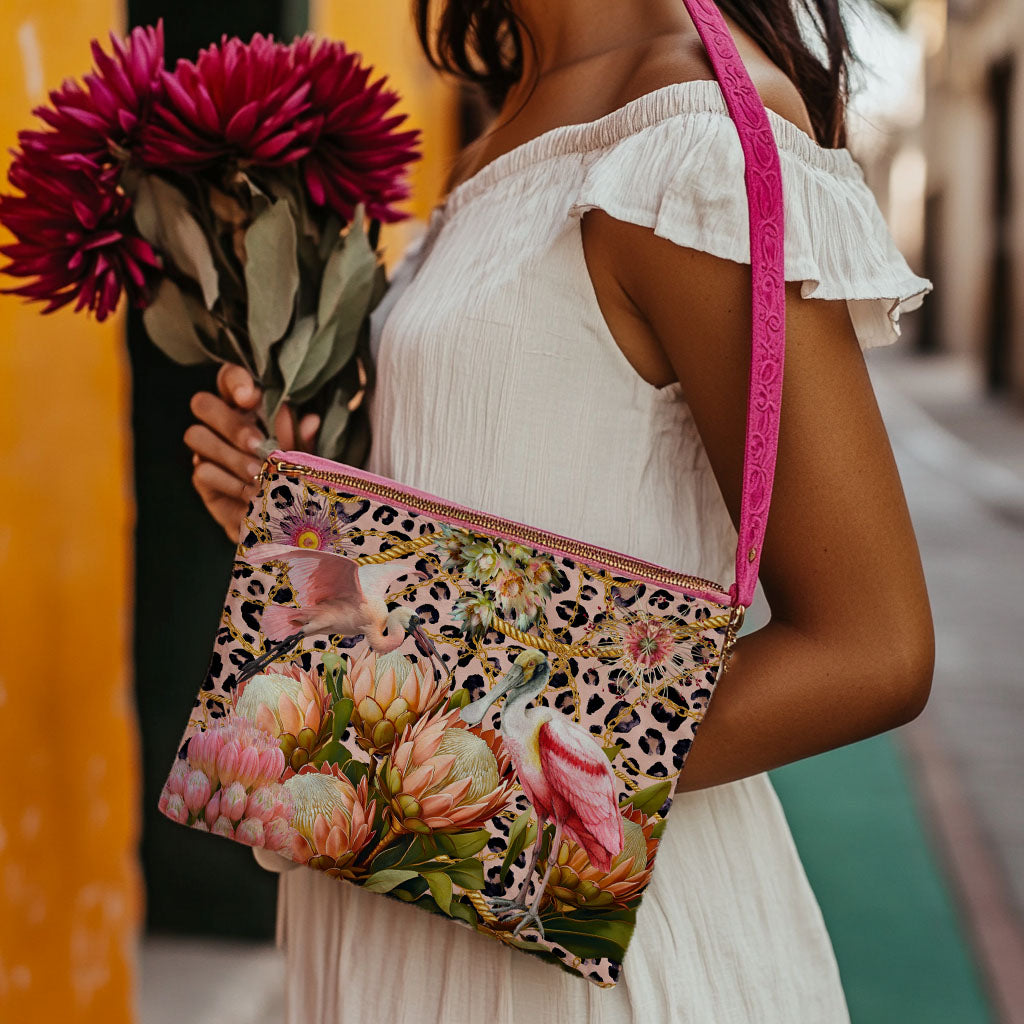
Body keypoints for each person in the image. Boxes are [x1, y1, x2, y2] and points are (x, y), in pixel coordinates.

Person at [184, 1, 935, 1019]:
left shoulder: (693, 134)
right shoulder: (503, 124)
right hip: (397, 895)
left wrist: (444, 769)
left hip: (575, 948)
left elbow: (873, 648)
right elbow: (479, 554)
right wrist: (309, 543)